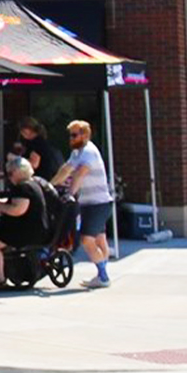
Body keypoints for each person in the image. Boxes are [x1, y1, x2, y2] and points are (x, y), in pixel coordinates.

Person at [53, 119, 113, 288]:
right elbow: (66, 169)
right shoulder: (77, 153)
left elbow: (80, 174)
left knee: (87, 240)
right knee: (100, 239)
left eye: (74, 135)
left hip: (98, 203)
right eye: (70, 135)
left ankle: (103, 276)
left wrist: (70, 194)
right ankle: (101, 274)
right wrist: (50, 185)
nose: (70, 139)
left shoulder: (89, 152)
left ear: (85, 135)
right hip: (88, 203)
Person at [0, 157, 56, 288]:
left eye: (10, 173)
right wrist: (1, 203)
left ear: (19, 172)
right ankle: (1, 271)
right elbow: (16, 202)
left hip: (26, 231)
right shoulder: (32, 185)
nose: (9, 177)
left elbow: (18, 209)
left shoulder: (23, 187)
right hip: (36, 229)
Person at [16, 116, 63, 180]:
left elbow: (34, 164)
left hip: (40, 178)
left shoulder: (36, 143)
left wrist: (17, 160)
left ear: (27, 129)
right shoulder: (39, 142)